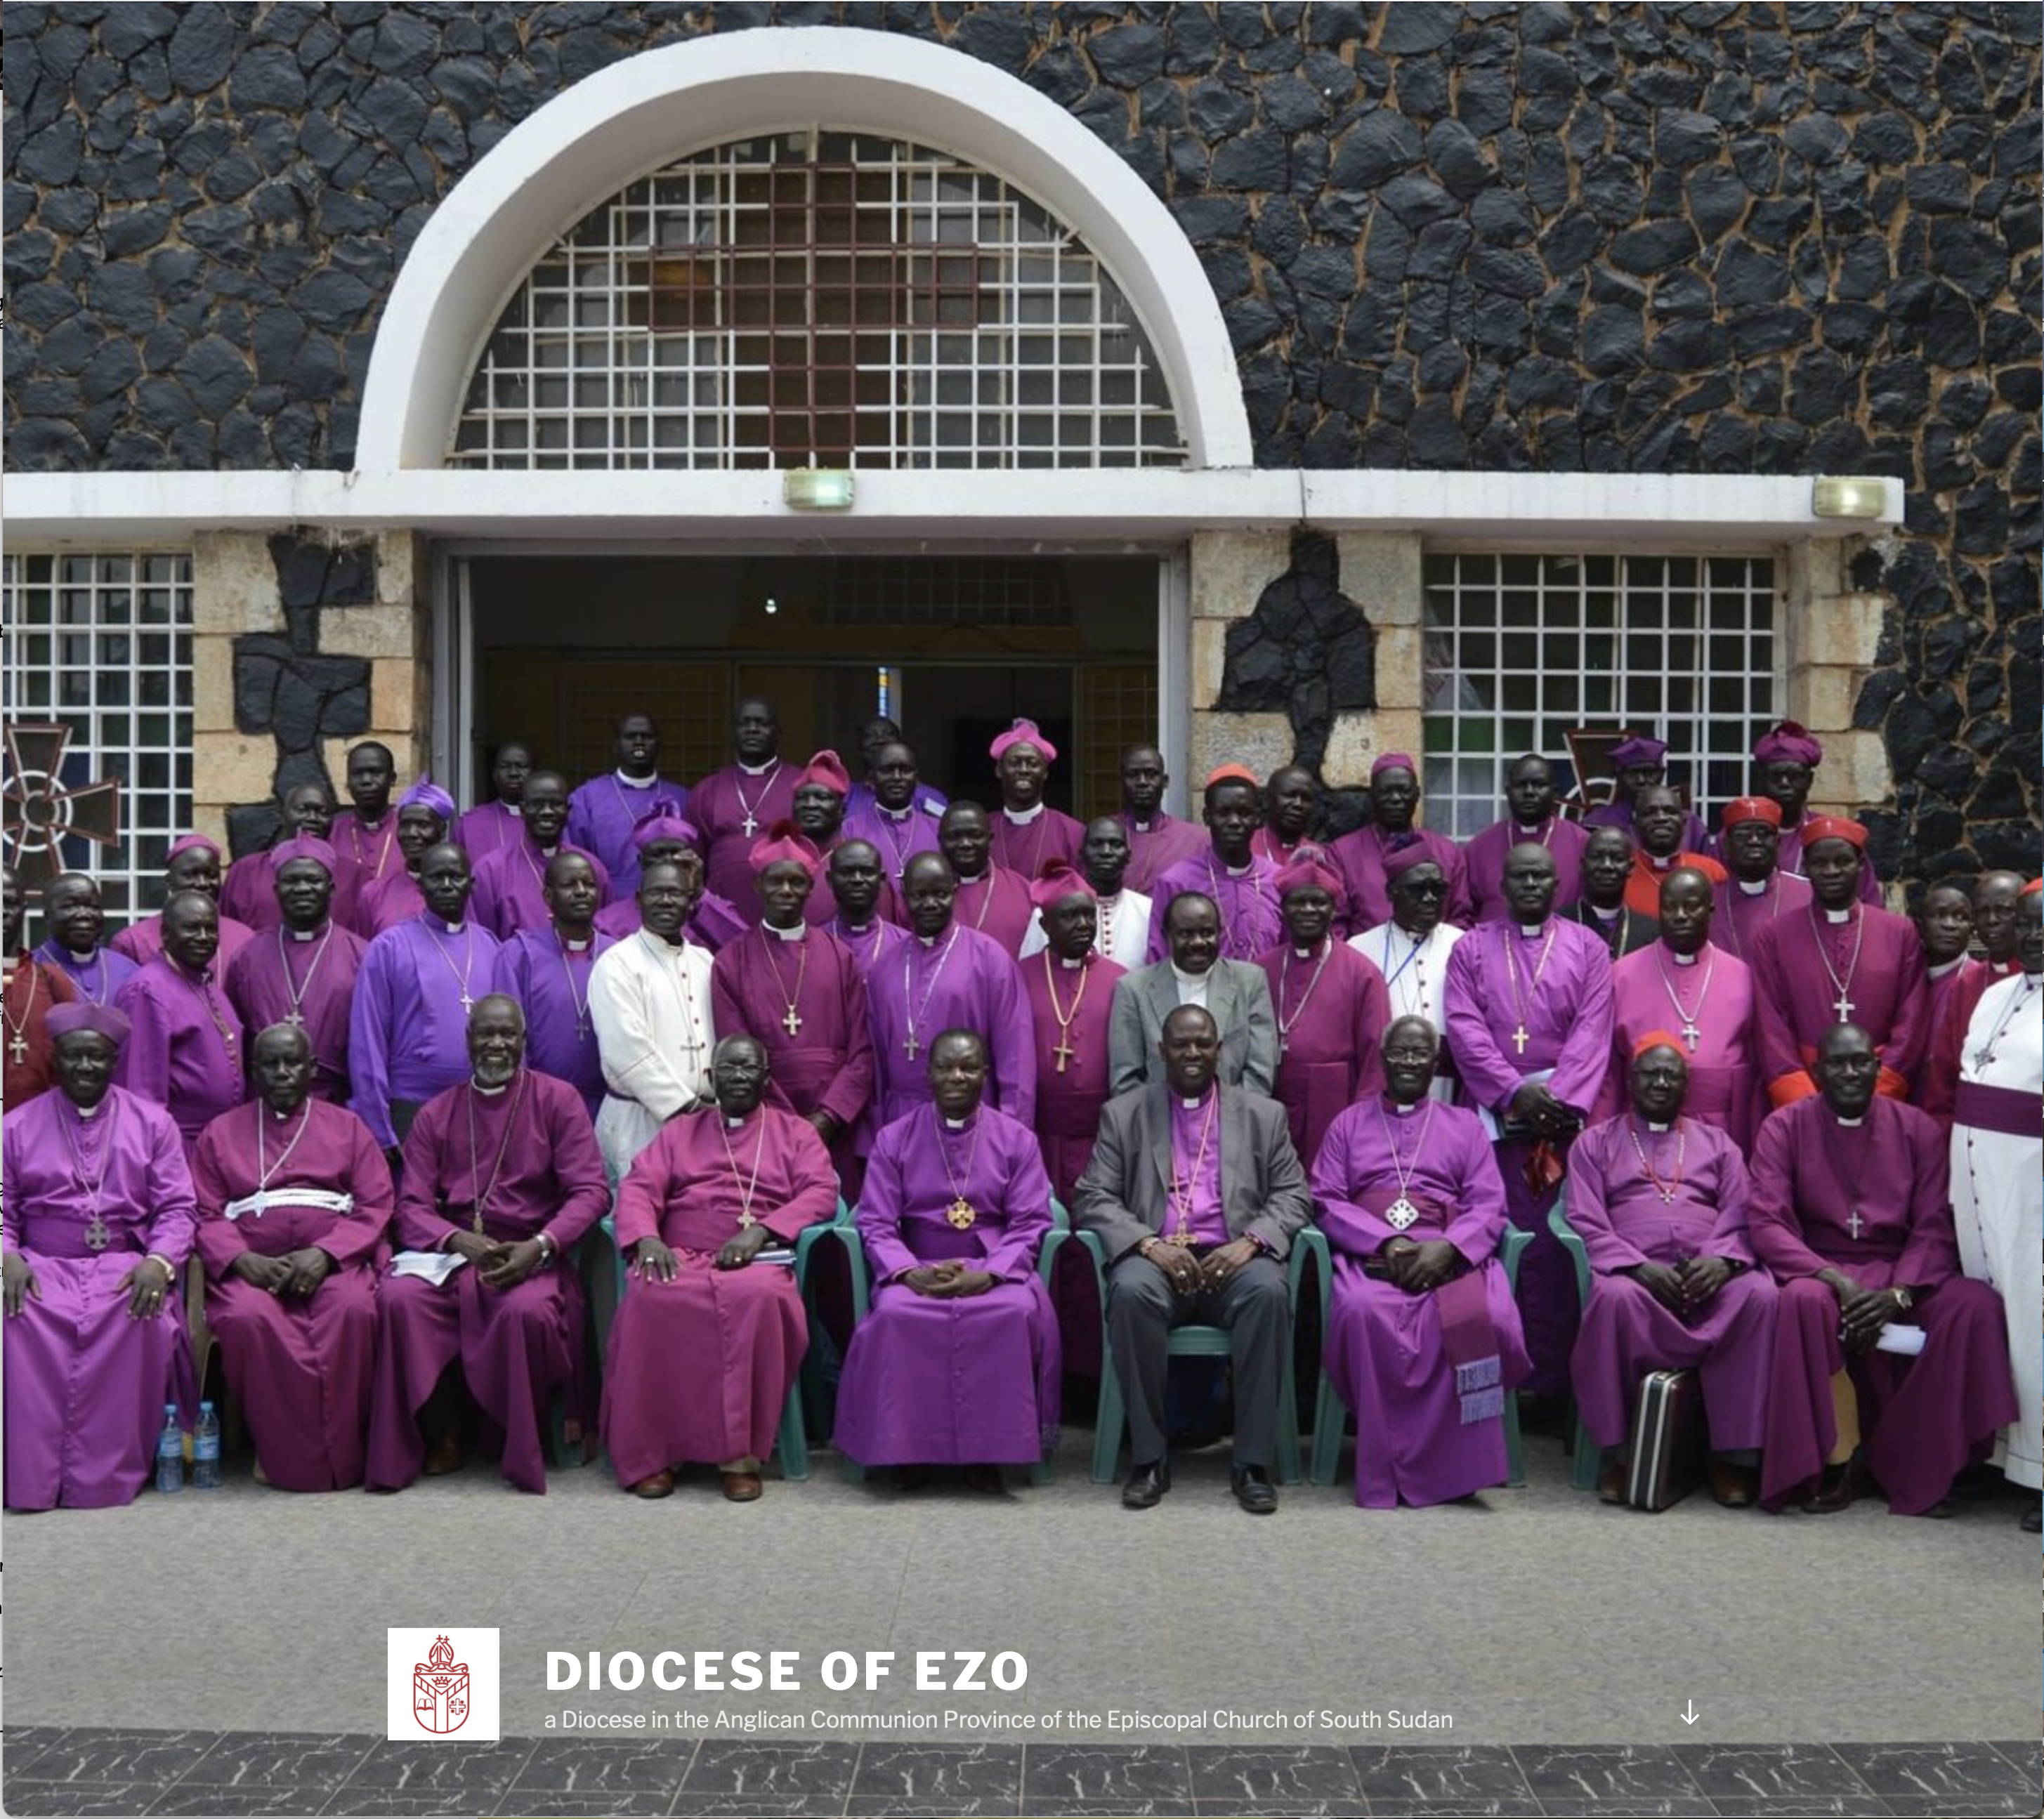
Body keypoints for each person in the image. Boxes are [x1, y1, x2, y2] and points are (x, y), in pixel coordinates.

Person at [1749, 1023, 2017, 1516]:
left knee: (1974, 1306)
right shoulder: (1784, 1127)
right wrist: (1834, 1280)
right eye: (1837, 1064)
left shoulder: (1916, 1128)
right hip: (1824, 1272)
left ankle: (1926, 1462)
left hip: (1902, 1271)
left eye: (1861, 1062)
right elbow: (1767, 1223)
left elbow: (1935, 1222)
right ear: (1817, 1072)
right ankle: (1833, 1461)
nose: (1850, 1073)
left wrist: (1899, 1294)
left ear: (1878, 1068)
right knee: (1801, 1303)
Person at [1073, 1004, 1312, 1513]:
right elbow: (1093, 1195)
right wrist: (1147, 1244)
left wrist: (1251, 1241)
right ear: (1161, 1053)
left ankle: (1250, 1463)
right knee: (1132, 1292)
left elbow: (1294, 1194)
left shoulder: (1263, 1115)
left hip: (1235, 1259)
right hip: (1156, 1259)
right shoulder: (1126, 1114)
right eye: (1180, 1044)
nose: (1192, 1053)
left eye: (1203, 1043)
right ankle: (1149, 1459)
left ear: (1219, 1051)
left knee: (1269, 1293)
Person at [366, 995, 608, 1495]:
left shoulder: (557, 1100)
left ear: (524, 1041)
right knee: (398, 1299)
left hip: (531, 1257)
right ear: (468, 1039)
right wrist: (457, 1240)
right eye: (485, 1034)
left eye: (507, 1034)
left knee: (527, 1312)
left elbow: (591, 1192)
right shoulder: (438, 1113)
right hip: (455, 1258)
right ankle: (443, 1427)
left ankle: (516, 1438)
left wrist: (540, 1246)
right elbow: (409, 1205)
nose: (496, 1044)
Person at [603, 1035, 838, 1500]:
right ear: (711, 1077)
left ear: (766, 1079)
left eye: (749, 1068)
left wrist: (762, 1232)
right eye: (728, 1068)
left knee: (758, 1299)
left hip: (756, 1258)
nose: (738, 1076)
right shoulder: (680, 1132)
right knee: (652, 1295)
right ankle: (657, 1455)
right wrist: (648, 1237)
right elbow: (638, 1187)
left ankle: (740, 1458)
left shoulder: (795, 1134)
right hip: (682, 1252)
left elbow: (821, 1193)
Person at [1310, 1016, 1531, 1507]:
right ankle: (1385, 1462)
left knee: (1486, 1315)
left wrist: (1449, 1249)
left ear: (1435, 1065)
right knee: (1364, 1310)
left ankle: (1462, 1464)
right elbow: (1326, 1198)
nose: (1409, 1062)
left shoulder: (1465, 1126)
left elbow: (1489, 1204)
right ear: (1383, 1060)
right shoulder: (1349, 1123)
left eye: (1419, 1054)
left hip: (1447, 1251)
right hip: (1373, 1256)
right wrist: (1385, 1242)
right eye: (1400, 1053)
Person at [834, 1029, 1062, 1485]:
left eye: (968, 1067)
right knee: (896, 1315)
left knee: (1013, 1312)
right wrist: (909, 1272)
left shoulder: (1016, 1139)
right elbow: (876, 1222)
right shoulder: (894, 1138)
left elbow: (1031, 1221)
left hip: (994, 1268)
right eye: (945, 1067)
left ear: (985, 1074)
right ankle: (910, 1454)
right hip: (916, 1267)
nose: (956, 1077)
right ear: (930, 1073)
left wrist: (992, 1275)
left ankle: (986, 1456)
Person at [1566, 1037, 1777, 1507]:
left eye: (1672, 1075)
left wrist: (1723, 1262)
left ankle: (1732, 1457)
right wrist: (1636, 1266)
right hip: (1634, 1278)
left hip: (1709, 1273)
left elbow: (1744, 1210)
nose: (1661, 1082)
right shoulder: (1594, 1143)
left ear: (1686, 1085)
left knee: (1761, 1296)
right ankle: (1624, 1457)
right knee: (1613, 1301)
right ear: (1631, 1080)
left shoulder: (1717, 1144)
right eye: (1650, 1074)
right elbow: (1583, 1217)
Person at [3, 1002, 196, 1511]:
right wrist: (6, 1255)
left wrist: (158, 1261)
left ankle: (105, 1478)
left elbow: (177, 1208)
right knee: (17, 1317)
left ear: (114, 1061)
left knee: (144, 1320)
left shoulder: (153, 1123)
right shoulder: (16, 1126)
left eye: (97, 1057)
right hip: (40, 1262)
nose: (85, 1067)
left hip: (122, 1264)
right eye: (74, 1057)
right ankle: (33, 1478)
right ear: (56, 1059)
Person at [1442, 842, 1614, 1402]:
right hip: (1492, 1125)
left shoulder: (1588, 947)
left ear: (1559, 883)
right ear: (1503, 885)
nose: (1532, 885)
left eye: (1542, 875)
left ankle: (1556, 1388)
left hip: (1560, 1131)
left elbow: (1594, 1030)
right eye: (1520, 876)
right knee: (1492, 1246)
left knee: (1558, 1252)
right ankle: (1494, 1388)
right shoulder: (1471, 948)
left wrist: (1556, 1100)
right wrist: (1515, 1093)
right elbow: (1464, 1029)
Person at [190, 1023, 394, 1491]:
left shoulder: (348, 1127)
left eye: (293, 1063)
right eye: (270, 1064)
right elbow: (202, 1211)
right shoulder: (221, 1133)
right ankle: (280, 1451)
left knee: (355, 1310)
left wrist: (326, 1253)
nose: (282, 1073)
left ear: (312, 1069)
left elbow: (377, 1204)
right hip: (252, 1268)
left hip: (333, 1261)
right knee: (247, 1318)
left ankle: (343, 1453)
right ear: (253, 1072)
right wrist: (243, 1261)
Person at [709, 825, 874, 1189]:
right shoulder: (730, 961)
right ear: (758, 886)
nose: (786, 891)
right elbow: (738, 1056)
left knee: (832, 1223)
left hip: (835, 1121)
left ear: (810, 889)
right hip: (765, 1120)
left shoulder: (839, 956)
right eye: (775, 881)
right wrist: (787, 1123)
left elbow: (863, 1053)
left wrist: (828, 1118)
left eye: (797, 882)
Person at [1948, 884, 2041, 1527]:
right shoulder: (1990, 995)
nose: (2033, 936)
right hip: (1978, 1183)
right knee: (1993, 1317)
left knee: (2036, 1322)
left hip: (2032, 1187)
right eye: (2027, 925)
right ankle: (2001, 1455)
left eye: (2042, 926)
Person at [1748, 817, 1928, 1108]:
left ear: (1860, 864)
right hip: (1803, 1091)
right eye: (1820, 863)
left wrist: (1881, 1093)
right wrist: (1802, 1101)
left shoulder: (1899, 933)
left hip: (1879, 1092)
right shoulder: (1774, 936)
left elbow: (1912, 1020)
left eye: (1843, 861)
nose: (1831, 871)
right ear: (1806, 867)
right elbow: (1770, 1024)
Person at [348, 841, 503, 1163]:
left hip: (481, 1106)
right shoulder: (390, 946)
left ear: (471, 883)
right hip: (411, 1106)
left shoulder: (489, 944)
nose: (447, 885)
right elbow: (368, 1041)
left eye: (456, 876)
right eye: (437, 877)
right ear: (421, 885)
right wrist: (378, 1125)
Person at [1595, 869, 1762, 1149]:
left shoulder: (1741, 975)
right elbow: (1610, 1070)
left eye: (1691, 906)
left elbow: (1756, 1065)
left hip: (1723, 1131)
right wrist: (1599, 1137)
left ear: (1710, 910)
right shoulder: (1622, 974)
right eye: (1670, 907)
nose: (1681, 915)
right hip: (1642, 1128)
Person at [867, 853, 1035, 1128]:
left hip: (974, 1117)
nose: (930, 903)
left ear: (955, 891)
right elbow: (876, 1062)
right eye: (919, 895)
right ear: (904, 895)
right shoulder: (884, 967)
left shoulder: (990, 959)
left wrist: (1014, 1129)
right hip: (900, 1120)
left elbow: (1015, 1055)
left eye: (940, 894)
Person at [586, 858, 716, 1178]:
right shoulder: (618, 963)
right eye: (656, 893)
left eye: (675, 893)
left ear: (691, 901)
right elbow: (625, 1048)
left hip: (704, 1121)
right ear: (639, 899)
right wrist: (687, 1107)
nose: (666, 900)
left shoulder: (705, 961)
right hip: (639, 1119)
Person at [1257, 856, 1389, 1167]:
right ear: (1284, 908)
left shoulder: (1362, 972)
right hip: (1271, 1098)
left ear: (1333, 910)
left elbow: (1376, 1057)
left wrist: (1363, 1124)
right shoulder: (1261, 969)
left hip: (1333, 1102)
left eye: (1318, 902)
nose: (1308, 910)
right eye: (1298, 902)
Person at [223, 835, 367, 1105]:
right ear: (276, 890)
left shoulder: (362, 955)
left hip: (339, 1101)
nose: (302, 888)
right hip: (265, 1102)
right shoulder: (247, 956)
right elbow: (236, 1039)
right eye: (292, 881)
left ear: (331, 888)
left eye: (313, 880)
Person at [1018, 861, 1125, 1202]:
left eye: (1088, 915)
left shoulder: (1120, 979)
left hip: (1101, 1134)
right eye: (1070, 916)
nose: (1083, 925)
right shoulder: (1018, 976)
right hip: (1040, 1130)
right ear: (1046, 925)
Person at [113, 889, 247, 1157]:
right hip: (176, 1149)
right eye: (191, 928)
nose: (203, 937)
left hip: (217, 1145)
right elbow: (141, 1093)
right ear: (165, 934)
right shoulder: (148, 990)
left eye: (210, 928)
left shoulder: (205, 982)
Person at [1111, 891, 1278, 1096]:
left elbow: (1260, 1073)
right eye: (1186, 934)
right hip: (1155, 1122)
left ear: (1220, 933)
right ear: (1166, 936)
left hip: (1234, 1120)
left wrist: (1229, 1122)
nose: (1198, 942)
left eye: (1207, 933)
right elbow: (1126, 1080)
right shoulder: (1133, 989)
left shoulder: (1250, 982)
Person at [491, 851, 617, 1122]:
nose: (582, 891)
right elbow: (509, 1036)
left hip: (607, 1107)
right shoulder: (519, 954)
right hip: (538, 1105)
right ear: (548, 897)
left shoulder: (618, 956)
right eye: (570, 885)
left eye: (589, 884)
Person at [1349, 845, 1464, 1103]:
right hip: (1384, 1083)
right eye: (1417, 889)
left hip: (1450, 1083)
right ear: (1391, 893)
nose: (1429, 898)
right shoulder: (1359, 949)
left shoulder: (1464, 944)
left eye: (1438, 889)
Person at [1918, 869, 2030, 1119]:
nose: (1991, 920)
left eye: (2004, 910)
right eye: (1982, 911)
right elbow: (1944, 1080)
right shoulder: (1967, 983)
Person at [1147, 766, 1282, 963]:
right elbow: (1158, 960)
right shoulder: (1175, 882)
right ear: (1207, 817)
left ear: (1257, 819)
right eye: (1224, 813)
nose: (1234, 822)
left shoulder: (1279, 880)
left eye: (1244, 813)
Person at [1329, 754, 1472, 934]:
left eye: (1404, 790)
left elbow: (1461, 919)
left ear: (1417, 794)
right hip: (1366, 958)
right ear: (1372, 796)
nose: (1396, 798)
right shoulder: (1342, 853)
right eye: (1386, 791)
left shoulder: (1448, 852)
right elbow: (1336, 924)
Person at [469, 769, 612, 940]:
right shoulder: (490, 870)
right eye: (537, 804)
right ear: (522, 810)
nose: (547, 812)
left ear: (568, 811)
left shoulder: (592, 867)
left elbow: (606, 931)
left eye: (556, 804)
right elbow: (481, 942)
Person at [1747, 720, 1881, 902]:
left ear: (1809, 780)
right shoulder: (1740, 837)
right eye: (1776, 776)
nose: (1785, 784)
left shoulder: (1835, 838)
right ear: (1762, 779)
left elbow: (1869, 904)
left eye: (1795, 776)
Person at [691, 698, 798, 916]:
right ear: (734, 732)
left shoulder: (800, 785)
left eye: (761, 723)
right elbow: (694, 856)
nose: (752, 729)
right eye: (745, 723)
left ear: (778, 733)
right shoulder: (708, 789)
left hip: (782, 902)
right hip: (718, 907)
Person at [593, 810, 747, 953]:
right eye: (658, 854)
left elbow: (745, 951)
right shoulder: (607, 922)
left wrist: (699, 895)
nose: (667, 860)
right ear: (641, 861)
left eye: (676, 852)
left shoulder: (714, 910)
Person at [1465, 755, 1590, 924]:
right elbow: (1466, 914)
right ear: (1508, 791)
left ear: (1555, 792)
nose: (1529, 792)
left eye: (1539, 785)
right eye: (1521, 785)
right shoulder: (1479, 848)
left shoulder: (1583, 844)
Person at [111, 833, 257, 974]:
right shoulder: (132, 941)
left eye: (211, 875)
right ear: (169, 881)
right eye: (191, 875)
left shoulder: (244, 937)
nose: (202, 883)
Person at [565, 713, 676, 895]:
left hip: (667, 904)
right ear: (615, 746)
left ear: (659, 746)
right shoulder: (586, 798)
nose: (639, 742)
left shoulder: (681, 797)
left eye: (647, 737)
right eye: (630, 737)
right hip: (606, 905)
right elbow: (574, 861)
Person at [1022, 815, 1152, 970]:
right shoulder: (1049, 911)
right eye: (1097, 844)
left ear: (1129, 856)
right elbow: (1030, 973)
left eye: (1115, 844)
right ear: (1081, 854)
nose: (1106, 852)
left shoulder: (1148, 910)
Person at [219, 781, 343, 932]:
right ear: (282, 814)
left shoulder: (354, 874)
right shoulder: (244, 870)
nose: (312, 818)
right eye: (302, 810)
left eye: (322, 812)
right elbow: (227, 930)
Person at [4, 860, 76, 1105]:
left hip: (40, 1125)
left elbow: (71, 1056)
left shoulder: (50, 979)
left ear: (23, 910)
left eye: (10, 903)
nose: (3, 911)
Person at [1710, 795, 1813, 961]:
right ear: (1727, 846)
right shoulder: (1709, 898)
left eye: (1764, 833)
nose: (1754, 841)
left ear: (1778, 842)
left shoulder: (1808, 894)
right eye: (1743, 835)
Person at [358, 777, 459, 937]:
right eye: (405, 825)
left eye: (423, 825)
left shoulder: (460, 891)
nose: (411, 834)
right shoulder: (373, 893)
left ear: (442, 830)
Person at [988, 717, 1084, 879]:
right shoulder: (983, 830)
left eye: (1032, 763)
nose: (1024, 770)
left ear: (1045, 772)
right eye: (1015, 763)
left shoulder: (1072, 832)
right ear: (999, 770)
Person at [841, 738, 944, 886]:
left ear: (916, 777)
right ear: (872, 777)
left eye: (905, 770)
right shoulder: (850, 829)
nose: (897, 777)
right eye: (887, 770)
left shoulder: (937, 829)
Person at [1584, 734, 1709, 853]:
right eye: (1632, 773)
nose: (1641, 780)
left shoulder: (1690, 824)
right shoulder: (1597, 823)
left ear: (1661, 774)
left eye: (1649, 772)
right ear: (1618, 777)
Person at [940, 800, 1035, 956]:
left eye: (975, 835)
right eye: (954, 836)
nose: (965, 844)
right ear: (940, 841)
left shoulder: (1023, 890)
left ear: (990, 839)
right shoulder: (927, 895)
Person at [34, 871, 141, 1005]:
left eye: (93, 906)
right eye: (70, 906)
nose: (83, 914)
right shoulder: (30, 971)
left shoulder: (128, 970)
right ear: (47, 916)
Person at [329, 740, 403, 935]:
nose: (366, 780)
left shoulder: (410, 831)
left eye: (375, 772)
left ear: (392, 778)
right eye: (357, 774)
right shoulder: (331, 834)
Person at [1621, 784, 1727, 917]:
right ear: (1636, 823)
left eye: (1670, 811)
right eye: (1650, 812)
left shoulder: (1712, 871)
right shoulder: (1621, 874)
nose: (1661, 818)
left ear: (1683, 822)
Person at [1115, 742, 1207, 895]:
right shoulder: (1101, 834)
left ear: (1165, 781)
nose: (1143, 782)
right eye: (1133, 775)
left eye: (1151, 774)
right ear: (1121, 782)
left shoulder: (1197, 840)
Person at [787, 750, 865, 927]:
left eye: (821, 798)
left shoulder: (857, 862)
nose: (811, 805)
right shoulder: (780, 857)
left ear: (842, 811)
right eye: (802, 798)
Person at [1567, 825, 1660, 959]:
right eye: (1597, 857)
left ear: (1631, 868)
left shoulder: (1652, 932)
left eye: (1617, 858)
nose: (1607, 866)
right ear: (1583, 865)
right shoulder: (1558, 924)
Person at [824, 839, 909, 980]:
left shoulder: (905, 945)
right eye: (847, 872)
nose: (857, 880)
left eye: (867, 872)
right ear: (830, 880)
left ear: (882, 879)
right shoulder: (815, 945)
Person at [845, 716, 947, 825]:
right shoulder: (846, 796)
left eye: (888, 734)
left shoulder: (928, 797)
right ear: (859, 752)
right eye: (870, 735)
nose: (880, 740)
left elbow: (949, 829)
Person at [1915, 879, 1979, 1039]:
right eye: (1939, 915)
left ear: (1972, 929)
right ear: (1920, 926)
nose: (1950, 925)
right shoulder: (1905, 974)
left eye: (1961, 917)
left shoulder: (1980, 981)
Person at [457, 739, 535, 862]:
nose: (513, 773)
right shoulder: (470, 823)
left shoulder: (549, 822)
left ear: (535, 773)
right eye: (505, 767)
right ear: (494, 774)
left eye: (522, 766)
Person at [1251, 766, 1321, 872]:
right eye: (1290, 795)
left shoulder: (1319, 856)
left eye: (1306, 798)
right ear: (1267, 799)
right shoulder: (1246, 848)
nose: (1298, 804)